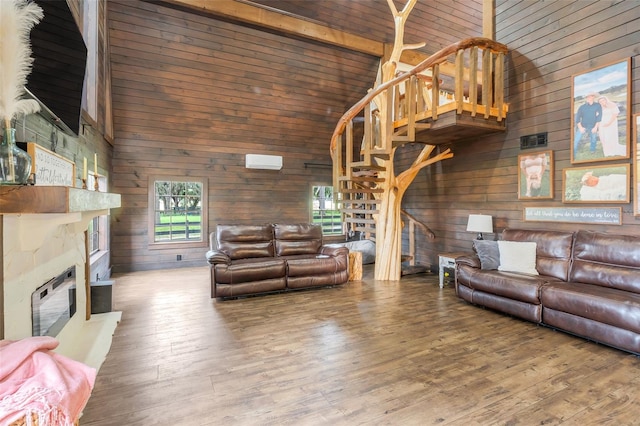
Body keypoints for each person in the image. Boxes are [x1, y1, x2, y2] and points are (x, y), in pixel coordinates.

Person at [574, 92, 602, 156]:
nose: (588, 98)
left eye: (590, 96)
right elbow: (577, 118)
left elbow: (599, 117)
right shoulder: (582, 107)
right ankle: (574, 153)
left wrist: (595, 127)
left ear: (593, 97)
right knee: (576, 140)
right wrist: (580, 128)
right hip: (583, 126)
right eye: (587, 97)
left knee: (593, 139)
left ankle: (592, 150)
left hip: (593, 126)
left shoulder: (598, 105)